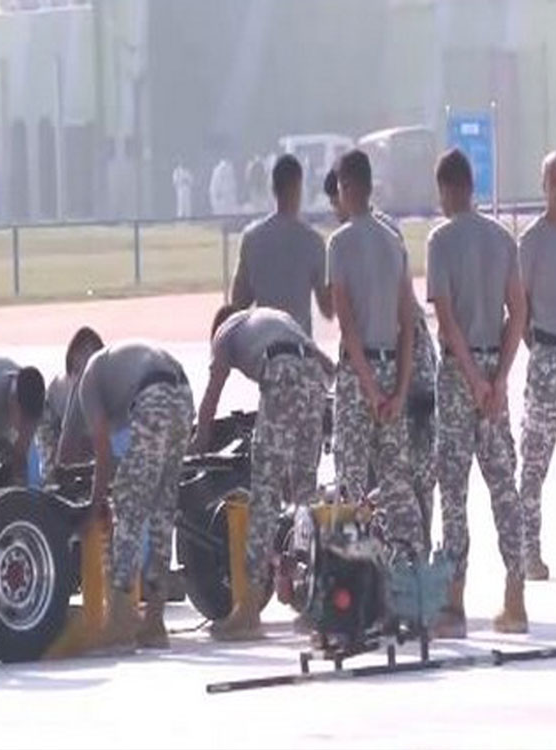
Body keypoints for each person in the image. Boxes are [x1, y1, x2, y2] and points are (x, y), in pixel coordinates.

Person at [425, 148, 529, 636]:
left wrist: (471, 377)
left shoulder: (441, 240)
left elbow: (445, 320)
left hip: (456, 373)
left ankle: (454, 601)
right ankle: (515, 594)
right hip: (493, 367)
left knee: (454, 487)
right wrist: (499, 377)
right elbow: (519, 313)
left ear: (448, 189)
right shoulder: (501, 239)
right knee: (502, 485)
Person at [193, 305, 334, 639]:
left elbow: (214, 390)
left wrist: (199, 440)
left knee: (265, 495)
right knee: (305, 498)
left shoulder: (226, 333)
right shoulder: (275, 318)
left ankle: (248, 611)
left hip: (281, 371)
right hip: (315, 378)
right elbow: (328, 365)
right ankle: (317, 602)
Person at [325, 166, 439, 552]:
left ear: (344, 189)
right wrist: (399, 389)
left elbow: (348, 326)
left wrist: (371, 390)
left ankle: (348, 572)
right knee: (396, 476)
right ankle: (415, 571)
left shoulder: (339, 243)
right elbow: (408, 323)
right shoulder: (394, 241)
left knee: (351, 476)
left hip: (361, 376)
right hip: (398, 368)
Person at [57, 340, 194, 652]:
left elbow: (95, 452)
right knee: (161, 511)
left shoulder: (87, 382)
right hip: (183, 392)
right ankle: (154, 622)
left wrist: (92, 504)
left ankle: (120, 623)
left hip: (154, 394)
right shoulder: (113, 366)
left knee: (127, 504)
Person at [518, 151, 556, 581]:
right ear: (543, 186)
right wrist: (537, 349)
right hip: (548, 356)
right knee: (534, 461)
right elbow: (520, 306)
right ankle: (528, 551)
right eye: (553, 178)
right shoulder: (531, 241)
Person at [229, 154, 333, 338]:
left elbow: (238, 301)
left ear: (273, 189)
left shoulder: (252, 238)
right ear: (299, 187)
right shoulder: (313, 242)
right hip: (299, 349)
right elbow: (328, 309)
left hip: (264, 348)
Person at [39, 327, 106, 477]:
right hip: (53, 417)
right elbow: (65, 449)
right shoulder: (71, 388)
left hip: (85, 428)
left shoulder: (104, 383)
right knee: (55, 474)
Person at [0, 356, 47, 483]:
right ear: (13, 402)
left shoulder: (31, 391)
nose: (22, 427)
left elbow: (22, 451)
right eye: (21, 421)